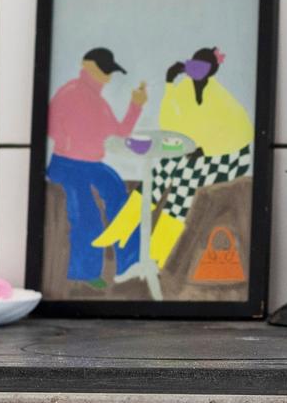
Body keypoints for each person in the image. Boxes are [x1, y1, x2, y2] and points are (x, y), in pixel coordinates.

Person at [93, 45, 252, 274]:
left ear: (211, 70)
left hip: (231, 155)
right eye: (193, 66)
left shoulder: (220, 96)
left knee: (184, 181)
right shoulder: (184, 88)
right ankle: (120, 229)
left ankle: (157, 253)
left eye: (202, 67)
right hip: (198, 152)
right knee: (161, 169)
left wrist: (206, 148)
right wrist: (169, 84)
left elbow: (241, 131)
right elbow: (170, 123)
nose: (195, 71)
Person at [44, 47, 149, 286]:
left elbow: (120, 131)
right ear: (88, 67)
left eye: (109, 73)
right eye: (104, 72)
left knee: (119, 196)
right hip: (66, 164)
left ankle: (131, 265)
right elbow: (48, 127)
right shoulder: (68, 93)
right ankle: (85, 273)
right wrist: (69, 140)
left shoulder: (99, 102)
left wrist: (136, 105)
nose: (107, 78)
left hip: (93, 164)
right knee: (86, 214)